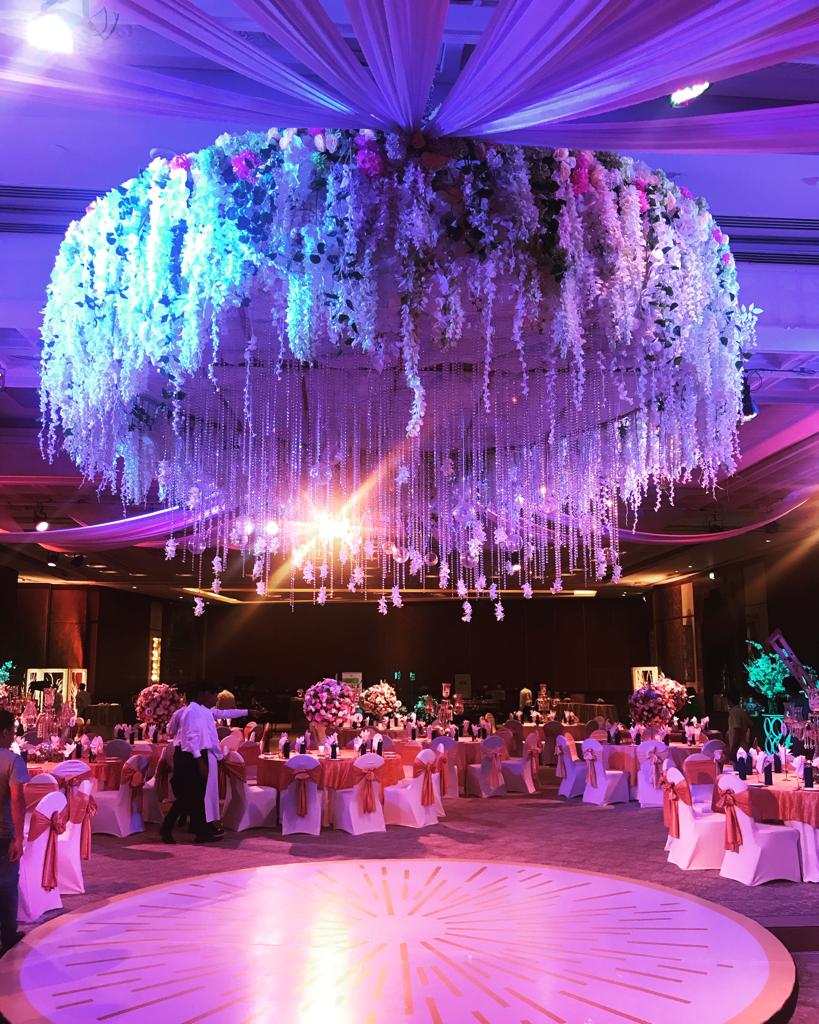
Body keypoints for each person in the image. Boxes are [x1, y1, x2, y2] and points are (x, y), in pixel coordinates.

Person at [161, 683, 223, 845]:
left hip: (197, 755)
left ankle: (200, 831)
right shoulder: (191, 712)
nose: (215, 698)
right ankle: (167, 828)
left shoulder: (201, 711)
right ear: (202, 694)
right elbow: (191, 738)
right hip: (189, 757)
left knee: (196, 796)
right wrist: (200, 762)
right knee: (187, 797)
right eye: (212, 694)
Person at [0, 709, 27, 955]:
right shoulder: (12, 761)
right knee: (7, 886)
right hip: (3, 833)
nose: (13, 737)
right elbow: (18, 800)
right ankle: (8, 937)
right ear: (5, 732)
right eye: (12, 732)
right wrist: (19, 838)